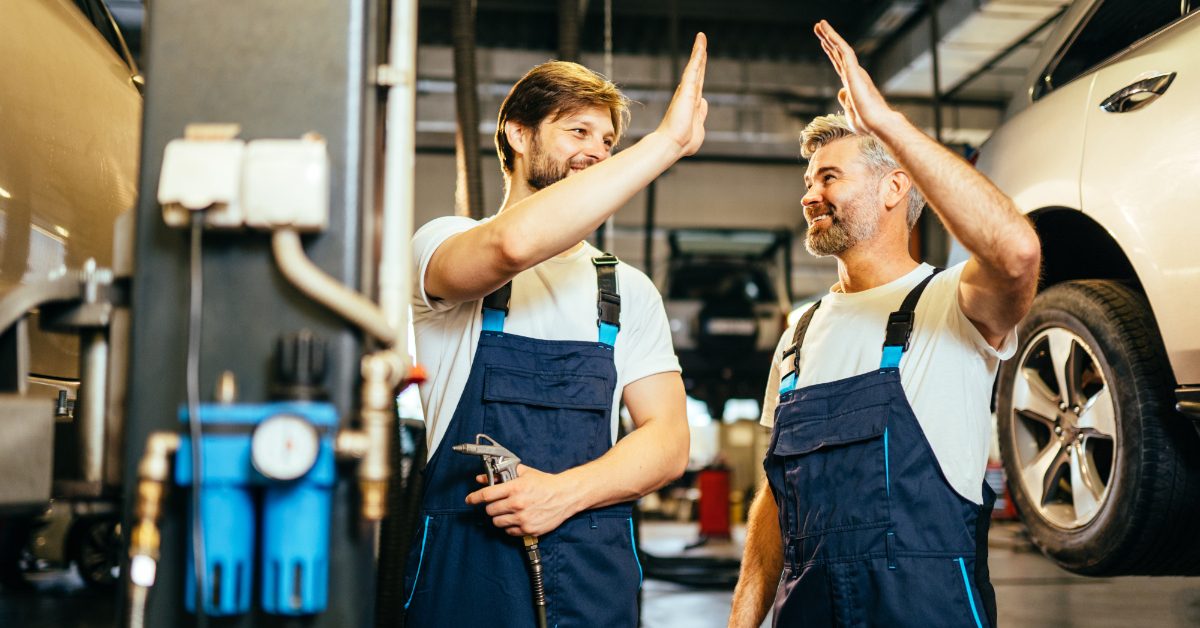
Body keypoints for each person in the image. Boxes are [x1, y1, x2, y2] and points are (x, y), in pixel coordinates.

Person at [728, 21, 1040, 628]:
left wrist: (887, 125)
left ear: (896, 187)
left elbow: (1017, 253)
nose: (810, 195)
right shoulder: (799, 331)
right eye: (807, 181)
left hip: (926, 609)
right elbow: (775, 506)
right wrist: (742, 620)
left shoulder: (952, 302)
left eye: (829, 177)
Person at [402, 35, 709, 627]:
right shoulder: (443, 244)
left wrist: (563, 494)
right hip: (467, 576)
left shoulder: (624, 292)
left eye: (609, 140)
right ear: (518, 134)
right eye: (578, 132)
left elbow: (668, 442)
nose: (598, 151)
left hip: (592, 579)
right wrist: (665, 144)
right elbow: (513, 242)